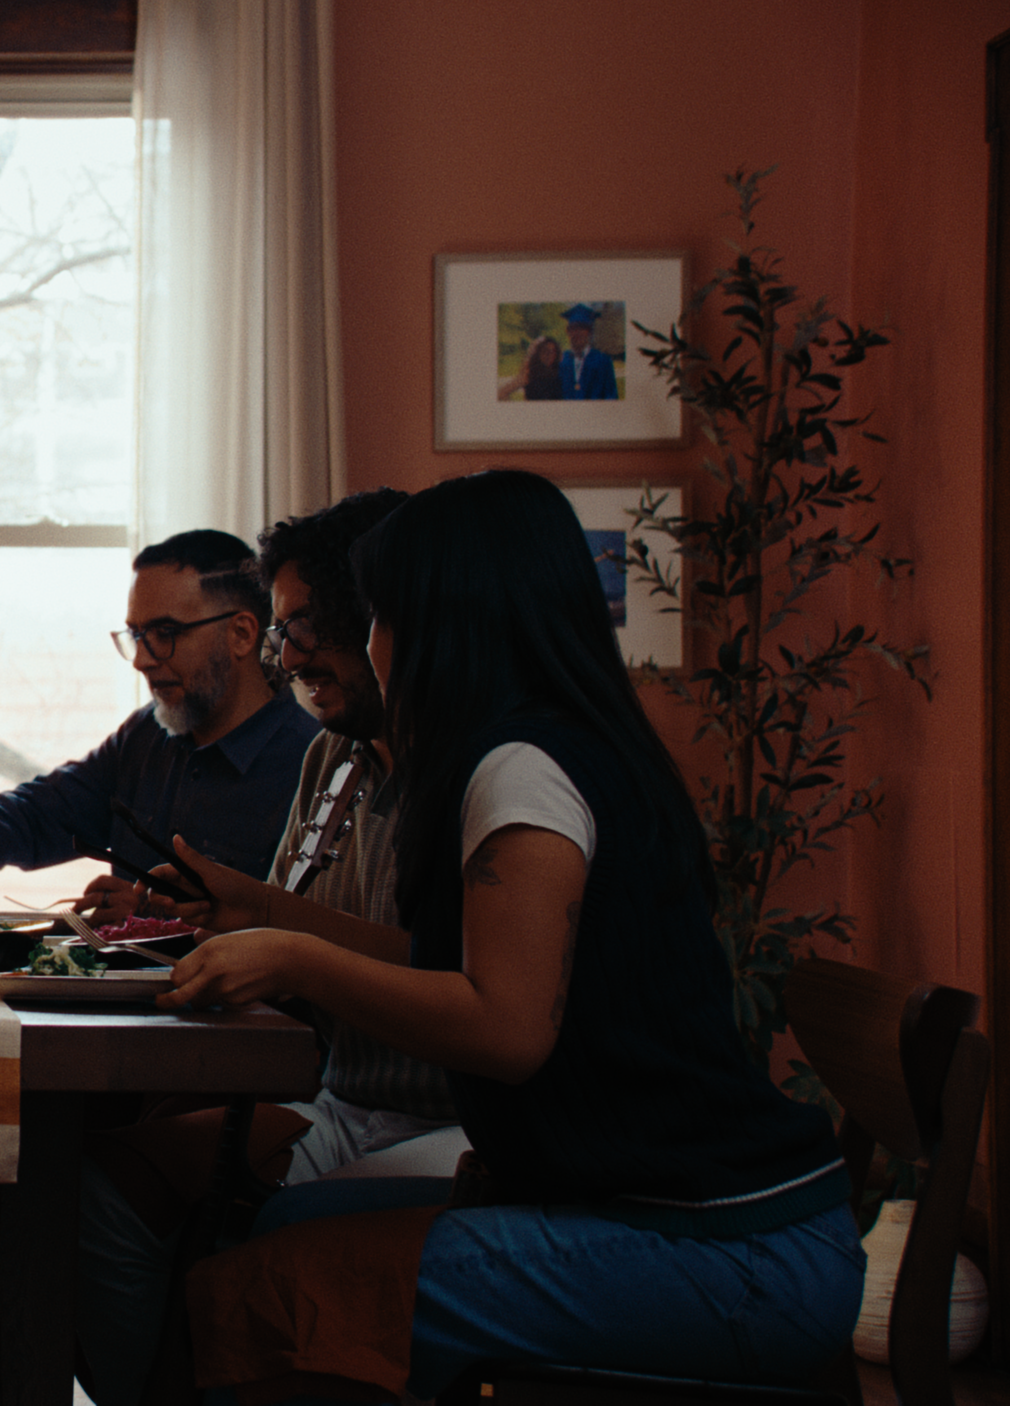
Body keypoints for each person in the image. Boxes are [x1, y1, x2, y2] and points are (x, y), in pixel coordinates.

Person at [110, 470, 862, 1403]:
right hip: (718, 1222)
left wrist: (294, 955)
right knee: (275, 1240)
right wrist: (274, 919)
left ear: (444, 622)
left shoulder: (520, 772)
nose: (372, 648)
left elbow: (504, 1027)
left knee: (270, 1295)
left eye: (380, 617)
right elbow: (459, 972)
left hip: (724, 1252)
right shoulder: (561, 745)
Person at [77, 490, 470, 1405]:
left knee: (239, 1227)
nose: (286, 658)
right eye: (283, 632)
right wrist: (220, 911)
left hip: (448, 1124)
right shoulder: (330, 758)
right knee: (109, 1183)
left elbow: (453, 970)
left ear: (380, 626)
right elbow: (290, 921)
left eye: (304, 630)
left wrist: (275, 937)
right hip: (341, 1096)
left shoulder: (463, 773)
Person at [0, 530, 318, 914]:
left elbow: (304, 941)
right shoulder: (145, 735)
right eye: (137, 635)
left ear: (241, 634)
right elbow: (46, 811)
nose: (141, 660)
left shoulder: (314, 765)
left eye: (165, 633)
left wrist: (151, 927)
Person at [559, 302, 618, 400]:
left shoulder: (603, 361)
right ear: (568, 332)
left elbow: (611, 398)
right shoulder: (560, 360)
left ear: (590, 332)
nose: (577, 333)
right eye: (573, 328)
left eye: (582, 328)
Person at [496, 334, 562, 401]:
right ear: (538, 354)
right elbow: (501, 393)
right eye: (545, 351)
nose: (549, 355)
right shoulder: (529, 374)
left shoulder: (560, 373)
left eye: (553, 351)